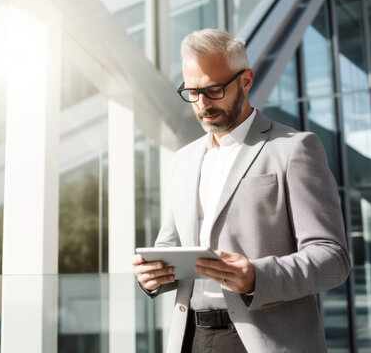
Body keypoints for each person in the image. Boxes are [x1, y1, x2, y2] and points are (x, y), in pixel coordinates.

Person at [131, 28, 350, 352]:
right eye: (192, 92)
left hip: (264, 340)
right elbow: (170, 244)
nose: (202, 103)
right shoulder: (182, 160)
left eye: (213, 89)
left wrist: (257, 277)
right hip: (189, 337)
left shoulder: (295, 149)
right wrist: (152, 276)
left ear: (246, 80)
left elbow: (332, 258)